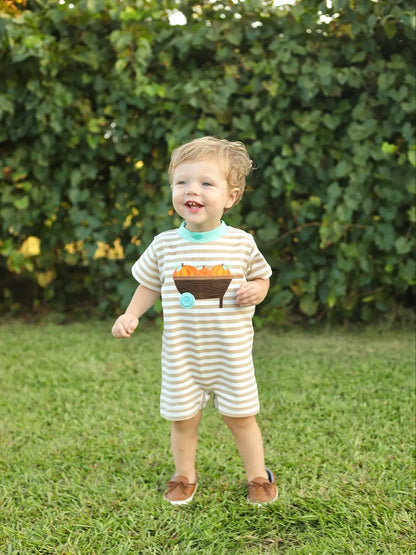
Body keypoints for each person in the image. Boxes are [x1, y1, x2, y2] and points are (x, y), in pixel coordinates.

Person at [112, 136, 277, 506]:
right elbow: (148, 284)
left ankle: (258, 475)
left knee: (241, 418)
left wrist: (258, 289)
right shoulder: (164, 245)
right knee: (183, 420)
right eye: (182, 182)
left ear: (230, 197)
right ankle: (184, 474)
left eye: (206, 183)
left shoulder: (241, 243)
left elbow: (262, 276)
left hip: (230, 355)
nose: (192, 190)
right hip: (183, 356)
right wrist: (130, 313)